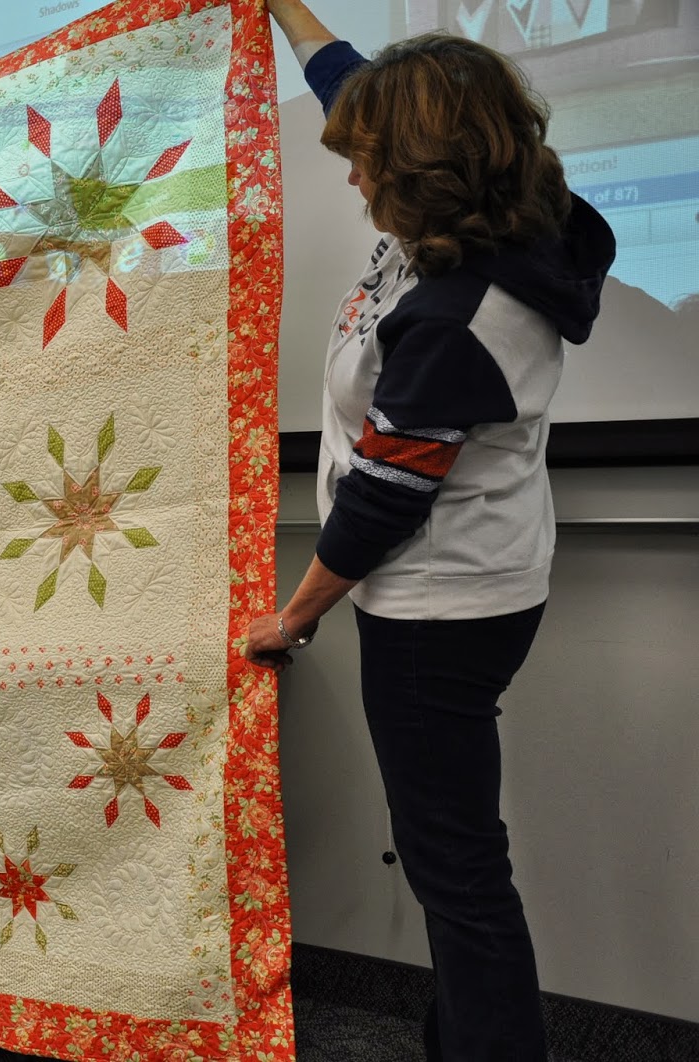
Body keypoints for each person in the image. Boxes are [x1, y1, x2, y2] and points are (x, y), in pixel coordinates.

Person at [248, 4, 616, 1060]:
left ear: (423, 171)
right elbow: (353, 83)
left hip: (435, 610)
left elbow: (381, 502)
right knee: (455, 851)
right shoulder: (507, 206)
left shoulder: (464, 318)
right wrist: (285, 7)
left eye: (367, 163)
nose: (353, 180)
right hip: (476, 580)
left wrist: (294, 618)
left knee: (453, 867)